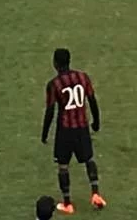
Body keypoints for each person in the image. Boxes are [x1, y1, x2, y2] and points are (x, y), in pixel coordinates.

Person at [40, 48, 104, 213]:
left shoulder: (54, 84)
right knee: (89, 159)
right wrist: (96, 121)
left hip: (65, 131)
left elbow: (50, 111)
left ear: (55, 63)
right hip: (82, 127)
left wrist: (45, 133)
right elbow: (92, 100)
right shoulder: (83, 77)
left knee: (63, 166)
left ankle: (67, 203)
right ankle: (96, 194)